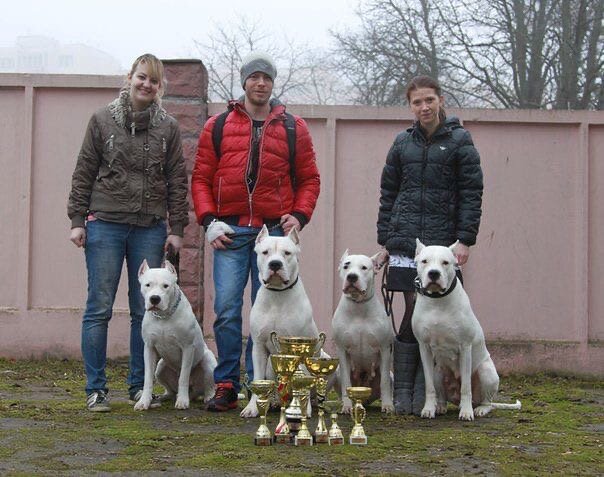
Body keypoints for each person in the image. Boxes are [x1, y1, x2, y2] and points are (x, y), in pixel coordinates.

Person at [191, 51, 320, 412]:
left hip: (275, 232)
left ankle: (261, 388)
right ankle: (228, 384)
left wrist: (300, 214)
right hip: (229, 231)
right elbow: (201, 177)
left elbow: (309, 179)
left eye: (267, 77)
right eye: (254, 77)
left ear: (273, 83)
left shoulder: (294, 127)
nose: (260, 83)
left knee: (264, 314)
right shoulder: (216, 126)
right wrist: (207, 221)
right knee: (228, 311)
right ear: (244, 82)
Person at [67, 53, 189, 412]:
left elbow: (177, 181)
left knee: (144, 310)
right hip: (104, 223)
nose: (146, 85)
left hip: (149, 228)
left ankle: (140, 386)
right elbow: (84, 171)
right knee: (99, 307)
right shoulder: (102, 120)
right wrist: (77, 220)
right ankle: (96, 389)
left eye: (153, 81)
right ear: (130, 78)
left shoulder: (168, 127)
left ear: (160, 87)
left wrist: (176, 228)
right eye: (141, 78)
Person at [377, 75, 483, 415]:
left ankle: (425, 390)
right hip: (406, 243)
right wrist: (385, 240)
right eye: (416, 102)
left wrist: (464, 239)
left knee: (427, 314)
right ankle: (404, 392)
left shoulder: (460, 141)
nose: (424, 107)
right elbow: (388, 193)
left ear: (440, 100)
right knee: (412, 315)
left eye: (429, 100)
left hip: (442, 246)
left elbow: (471, 193)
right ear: (410, 106)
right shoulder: (400, 142)